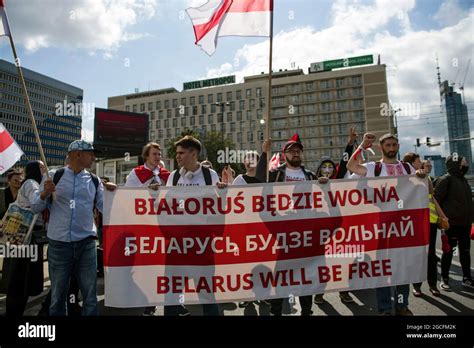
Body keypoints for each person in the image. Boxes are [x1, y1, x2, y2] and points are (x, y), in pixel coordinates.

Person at [31, 140, 116, 316]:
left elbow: (106, 208)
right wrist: (45, 193)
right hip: (59, 245)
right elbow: (35, 208)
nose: (93, 157)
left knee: (90, 296)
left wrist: (116, 193)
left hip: (86, 245)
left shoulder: (94, 180)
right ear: (78, 154)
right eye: (90, 153)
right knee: (58, 296)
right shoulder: (53, 177)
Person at [347, 133, 426, 316]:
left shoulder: (407, 168)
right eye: (388, 145)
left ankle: (401, 305)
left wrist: (421, 175)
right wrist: (362, 147)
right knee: (382, 268)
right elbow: (351, 166)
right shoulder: (373, 168)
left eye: (394, 144)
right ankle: (384, 308)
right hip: (379, 229)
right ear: (381, 147)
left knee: (403, 268)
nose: (392, 148)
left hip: (404, 228)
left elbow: (421, 189)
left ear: (398, 146)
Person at [256, 134, 316, 316]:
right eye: (292, 151)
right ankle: (276, 311)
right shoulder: (275, 174)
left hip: (304, 234)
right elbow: (259, 178)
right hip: (281, 233)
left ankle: (307, 310)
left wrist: (323, 185)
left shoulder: (310, 175)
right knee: (280, 275)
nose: (296, 154)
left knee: (306, 274)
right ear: (284, 155)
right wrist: (264, 154)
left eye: (298, 151)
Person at [165, 135, 225, 316]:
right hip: (177, 244)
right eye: (177, 153)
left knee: (206, 292)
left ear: (193, 154)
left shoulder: (210, 175)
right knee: (172, 292)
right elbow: (165, 206)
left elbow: (220, 207)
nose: (177, 157)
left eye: (181, 153)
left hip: (202, 244)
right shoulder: (173, 177)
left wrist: (224, 193)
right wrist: (153, 195)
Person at [125, 142, 172, 316]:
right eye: (155, 154)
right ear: (146, 156)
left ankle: (168, 301)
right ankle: (148, 301)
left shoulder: (167, 175)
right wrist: (146, 190)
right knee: (148, 265)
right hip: (144, 225)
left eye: (159, 154)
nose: (158, 157)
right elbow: (127, 195)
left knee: (164, 265)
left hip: (164, 225)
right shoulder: (136, 174)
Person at [313, 127, 358, 305]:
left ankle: (344, 292)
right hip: (320, 230)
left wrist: (350, 144)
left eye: (330, 167)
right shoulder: (312, 184)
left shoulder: (338, 180)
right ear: (318, 170)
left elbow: (344, 160)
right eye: (323, 167)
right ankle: (319, 293)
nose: (327, 169)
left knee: (341, 261)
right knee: (321, 263)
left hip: (339, 228)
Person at [2, 162, 45, 317]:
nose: (44, 170)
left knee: (18, 276)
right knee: (21, 276)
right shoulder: (32, 184)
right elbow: (36, 205)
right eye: (41, 168)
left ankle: (14, 309)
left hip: (20, 236)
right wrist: (45, 193)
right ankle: (14, 311)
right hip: (27, 236)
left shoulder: (28, 184)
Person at [403, 153, 448, 297]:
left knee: (431, 255)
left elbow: (431, 197)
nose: (421, 164)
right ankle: (416, 286)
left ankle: (433, 285)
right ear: (411, 164)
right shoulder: (404, 178)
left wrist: (442, 215)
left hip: (431, 222)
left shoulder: (426, 178)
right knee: (418, 255)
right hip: (415, 223)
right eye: (418, 162)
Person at [434, 155, 473, 290]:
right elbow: (435, 200)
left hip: (465, 224)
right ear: (456, 164)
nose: (466, 164)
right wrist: (442, 219)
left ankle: (467, 278)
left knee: (465, 252)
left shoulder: (463, 180)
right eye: (464, 162)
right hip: (451, 224)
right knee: (448, 252)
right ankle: (444, 279)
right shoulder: (445, 179)